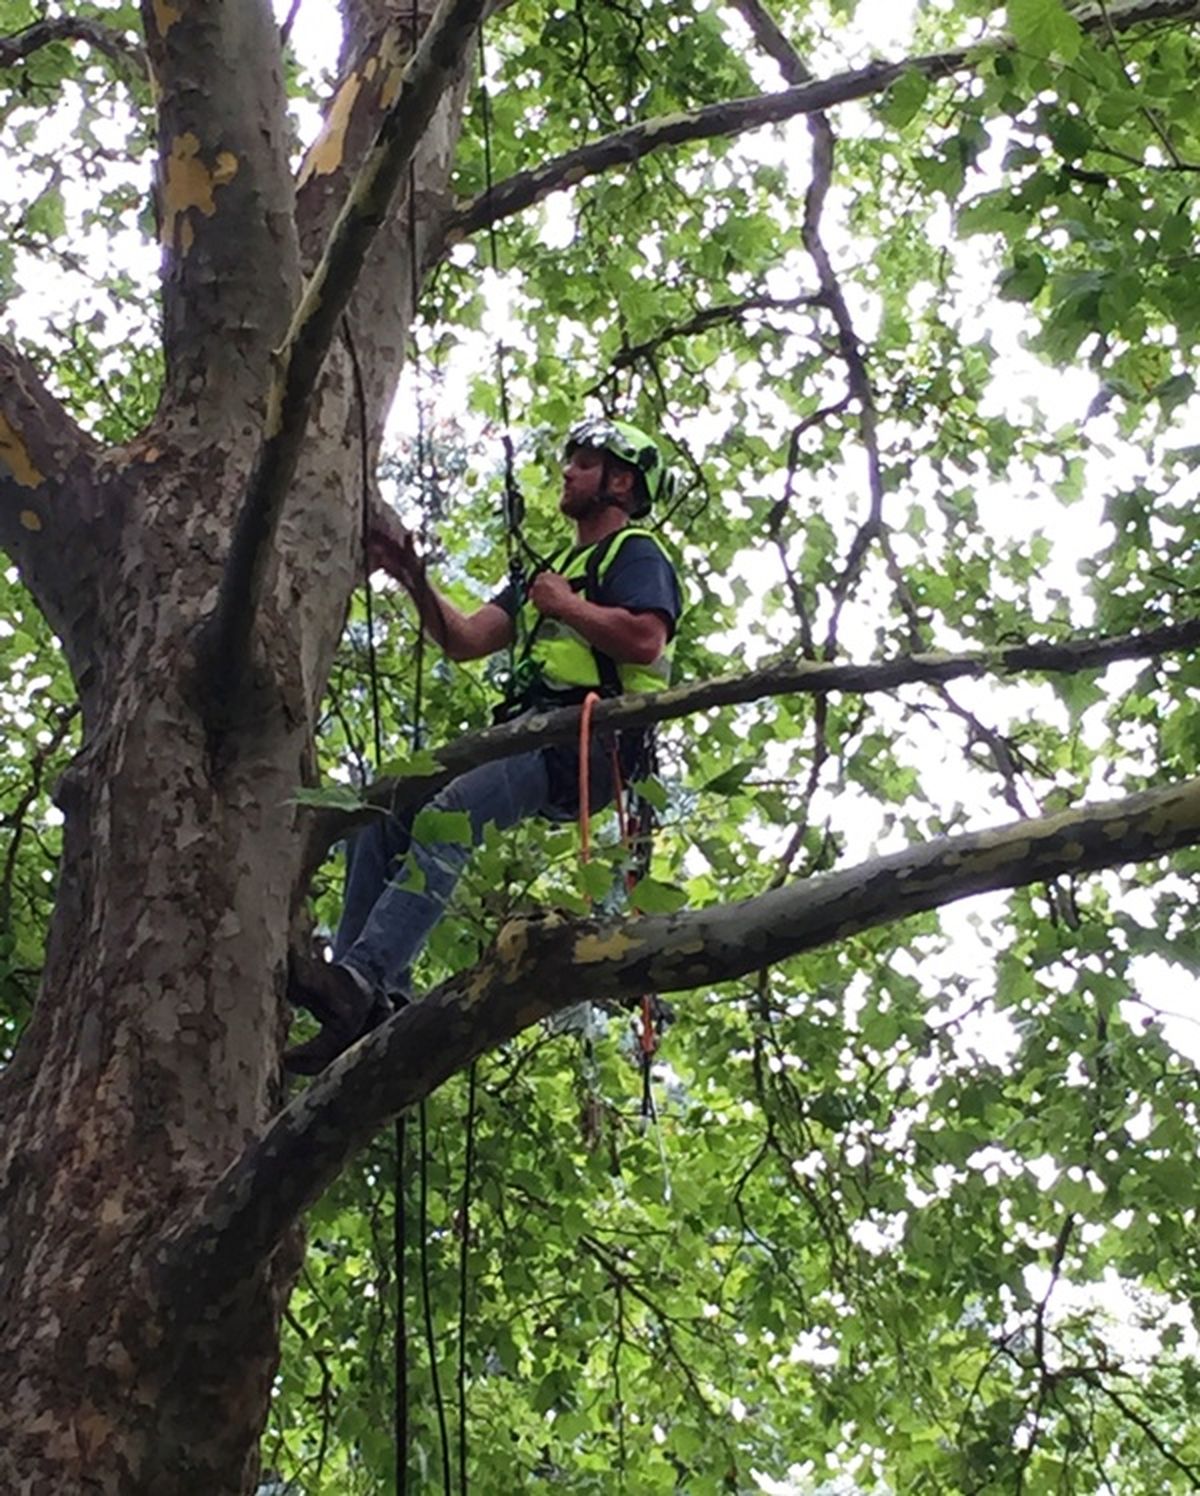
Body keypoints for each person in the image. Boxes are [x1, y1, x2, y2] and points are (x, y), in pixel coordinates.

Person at [285, 418, 683, 1074]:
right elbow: (467, 638)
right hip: (528, 732)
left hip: (583, 741)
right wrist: (413, 577)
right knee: (379, 817)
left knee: (448, 818)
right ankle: (364, 998)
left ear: (621, 482)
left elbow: (644, 640)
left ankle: (362, 977)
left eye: (584, 463)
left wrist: (565, 606)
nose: (568, 473)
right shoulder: (550, 573)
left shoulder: (633, 553)